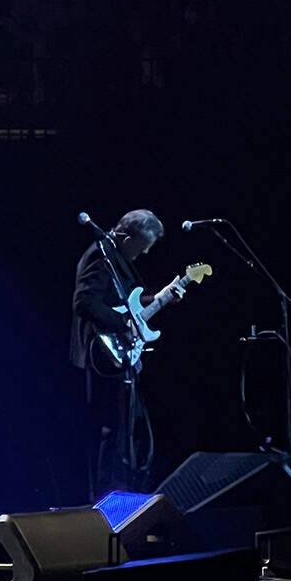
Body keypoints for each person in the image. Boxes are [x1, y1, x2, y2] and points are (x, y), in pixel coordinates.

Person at [70, 209, 183, 497]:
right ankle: (105, 498)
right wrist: (122, 323)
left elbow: (126, 302)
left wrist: (163, 297)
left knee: (127, 431)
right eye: (142, 245)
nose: (144, 252)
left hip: (118, 355)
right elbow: (84, 302)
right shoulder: (100, 254)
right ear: (127, 236)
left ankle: (125, 493)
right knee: (109, 430)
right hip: (101, 354)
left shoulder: (115, 256)